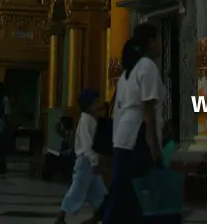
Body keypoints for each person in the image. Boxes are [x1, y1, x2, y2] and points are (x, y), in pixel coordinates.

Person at [103, 24, 164, 224]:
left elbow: (119, 111)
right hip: (137, 137)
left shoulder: (127, 73)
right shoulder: (147, 66)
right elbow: (148, 111)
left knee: (125, 193)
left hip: (123, 137)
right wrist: (155, 148)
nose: (160, 44)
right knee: (133, 193)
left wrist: (115, 141)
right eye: (157, 39)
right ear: (149, 42)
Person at [54, 89, 107, 224]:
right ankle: (61, 217)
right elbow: (87, 144)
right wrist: (94, 162)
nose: (99, 105)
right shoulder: (86, 120)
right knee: (76, 190)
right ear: (87, 106)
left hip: (91, 162)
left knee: (99, 192)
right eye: (95, 103)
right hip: (86, 162)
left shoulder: (93, 120)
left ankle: (99, 217)